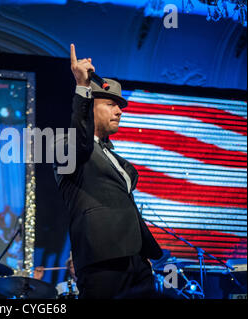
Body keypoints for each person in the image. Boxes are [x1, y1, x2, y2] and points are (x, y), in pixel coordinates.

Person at [53, 44, 162, 298]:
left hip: (136, 261)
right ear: (90, 106)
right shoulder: (63, 145)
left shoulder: (113, 156)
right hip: (102, 259)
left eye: (120, 106)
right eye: (111, 104)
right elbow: (79, 144)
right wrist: (81, 85)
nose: (120, 111)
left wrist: (142, 255)